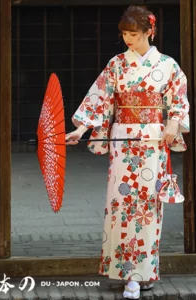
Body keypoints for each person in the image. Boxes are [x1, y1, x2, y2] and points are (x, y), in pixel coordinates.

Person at [66, 5, 189, 299]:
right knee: (122, 204)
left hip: (152, 144)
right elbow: (100, 98)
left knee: (147, 208)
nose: (128, 39)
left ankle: (142, 272)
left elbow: (178, 101)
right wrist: (80, 129)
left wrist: (172, 122)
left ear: (149, 32)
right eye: (124, 34)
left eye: (133, 34)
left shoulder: (168, 66)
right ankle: (125, 271)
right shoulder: (117, 65)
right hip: (124, 144)